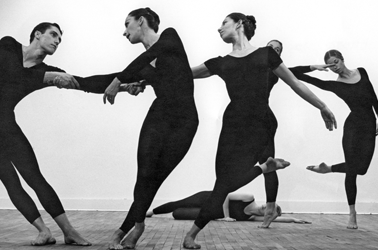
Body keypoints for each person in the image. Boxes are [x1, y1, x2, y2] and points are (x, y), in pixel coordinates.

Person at [182, 13, 337, 249]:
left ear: (239, 24)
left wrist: (323, 106)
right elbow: (182, 74)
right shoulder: (221, 61)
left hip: (259, 124)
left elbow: (295, 82)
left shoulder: (266, 55)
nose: (219, 28)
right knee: (222, 183)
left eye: (224, 22)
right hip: (233, 124)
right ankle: (265, 168)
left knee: (225, 184)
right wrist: (141, 78)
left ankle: (190, 235)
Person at [0, 22, 93, 246]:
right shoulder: (8, 46)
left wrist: (121, 84)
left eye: (60, 39)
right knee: (10, 181)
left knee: (35, 178)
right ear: (37, 35)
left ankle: (69, 231)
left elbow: (84, 82)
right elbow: (13, 73)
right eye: (53, 35)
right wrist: (48, 78)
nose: (57, 41)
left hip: (6, 126)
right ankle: (43, 231)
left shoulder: (44, 71)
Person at [102, 8, 199, 250]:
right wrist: (66, 81)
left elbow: (146, 59)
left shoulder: (170, 37)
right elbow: (133, 72)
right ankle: (133, 226)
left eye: (127, 24)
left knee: (155, 179)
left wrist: (118, 82)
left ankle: (129, 228)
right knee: (144, 174)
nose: (124, 32)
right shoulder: (144, 65)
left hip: (185, 122)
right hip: (160, 116)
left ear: (141, 21)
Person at [290, 49, 378, 229]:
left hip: (369, 125)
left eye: (335, 62)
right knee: (352, 170)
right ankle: (352, 214)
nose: (334, 67)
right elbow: (292, 73)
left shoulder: (362, 72)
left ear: (342, 59)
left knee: (362, 169)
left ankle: (328, 169)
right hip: (352, 127)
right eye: (330, 65)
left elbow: (374, 99)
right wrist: (315, 67)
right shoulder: (335, 85)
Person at [146, 191, 311, 224]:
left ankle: (165, 212)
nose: (266, 207)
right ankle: (151, 211)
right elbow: (226, 194)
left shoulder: (252, 217)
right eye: (269, 204)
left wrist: (294, 220)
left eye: (270, 210)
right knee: (180, 203)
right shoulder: (249, 198)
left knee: (178, 214)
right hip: (209, 197)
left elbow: (278, 220)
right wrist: (225, 216)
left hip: (210, 212)